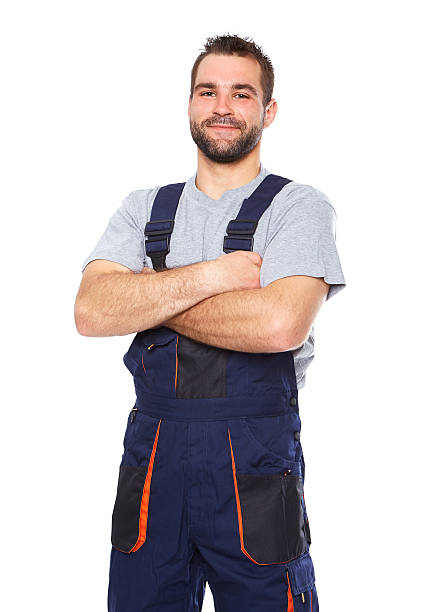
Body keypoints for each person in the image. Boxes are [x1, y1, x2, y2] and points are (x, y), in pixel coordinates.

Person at [75, 33, 346, 612]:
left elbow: (279, 324)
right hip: (153, 461)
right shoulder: (142, 207)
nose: (222, 106)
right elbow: (93, 311)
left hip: (252, 467)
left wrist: (149, 294)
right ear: (190, 104)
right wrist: (216, 277)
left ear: (267, 111)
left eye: (241, 94)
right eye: (208, 91)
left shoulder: (298, 208)